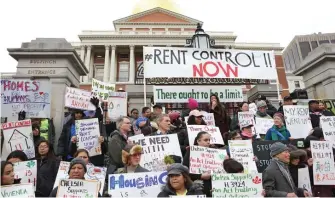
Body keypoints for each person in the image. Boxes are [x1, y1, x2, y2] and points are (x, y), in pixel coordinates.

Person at [183, 132, 212, 197]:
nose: (208, 142)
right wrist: (200, 176)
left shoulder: (214, 152)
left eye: (209, 140)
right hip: (196, 186)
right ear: (198, 141)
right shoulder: (191, 152)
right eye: (205, 140)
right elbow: (185, 170)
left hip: (212, 186)